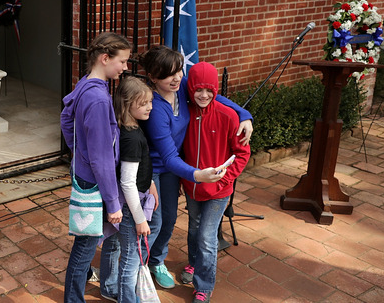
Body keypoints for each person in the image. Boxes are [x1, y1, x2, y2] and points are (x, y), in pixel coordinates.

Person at [139, 46, 253, 290]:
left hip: (176, 169)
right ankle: (140, 266)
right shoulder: (157, 107)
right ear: (154, 78)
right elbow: (168, 157)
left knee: (170, 219)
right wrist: (197, 175)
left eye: (179, 71)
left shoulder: (181, 86)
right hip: (157, 169)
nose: (177, 77)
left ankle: (156, 259)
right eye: (169, 74)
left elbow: (210, 93)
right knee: (156, 221)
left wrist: (244, 114)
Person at [61, 32, 131, 303]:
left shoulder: (86, 84)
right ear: (105, 58)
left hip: (84, 175)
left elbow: (66, 117)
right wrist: (113, 204)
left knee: (85, 242)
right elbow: (102, 159)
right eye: (122, 61)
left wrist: (79, 154)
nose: (124, 68)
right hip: (95, 183)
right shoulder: (100, 100)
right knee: (85, 246)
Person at [181, 62, 251, 302]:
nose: (203, 95)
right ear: (190, 88)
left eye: (209, 90)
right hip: (192, 186)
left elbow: (242, 153)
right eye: (198, 90)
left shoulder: (228, 115)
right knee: (193, 228)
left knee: (206, 236)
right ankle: (193, 263)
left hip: (220, 190)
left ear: (216, 89)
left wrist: (225, 181)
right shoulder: (184, 112)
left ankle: (204, 286)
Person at [99, 76, 159, 303]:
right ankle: (126, 299)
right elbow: (127, 181)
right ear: (127, 104)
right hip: (129, 206)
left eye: (150, 102)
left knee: (113, 243)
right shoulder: (132, 138)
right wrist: (140, 218)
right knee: (131, 259)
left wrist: (151, 182)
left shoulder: (126, 127)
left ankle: (107, 286)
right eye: (143, 103)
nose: (150, 107)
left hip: (121, 202)